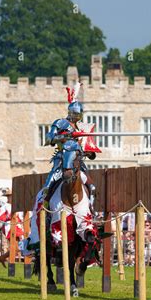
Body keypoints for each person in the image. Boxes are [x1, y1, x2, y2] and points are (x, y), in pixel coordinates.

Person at [43, 82, 98, 213]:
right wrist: (63, 137)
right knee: (48, 186)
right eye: (77, 114)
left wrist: (89, 153)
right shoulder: (60, 123)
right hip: (62, 159)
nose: (78, 117)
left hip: (77, 162)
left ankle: (90, 210)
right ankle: (45, 212)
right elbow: (48, 138)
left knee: (92, 187)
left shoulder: (81, 128)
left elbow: (86, 148)